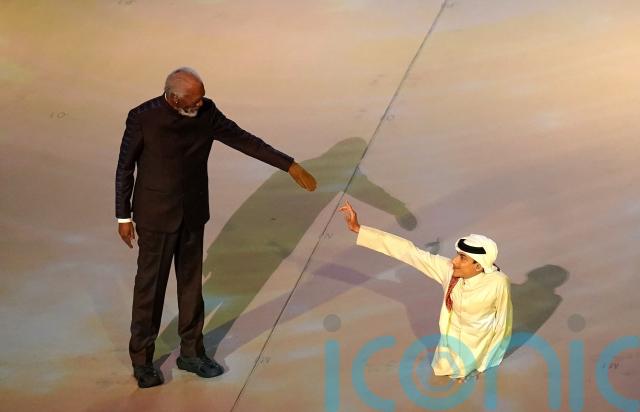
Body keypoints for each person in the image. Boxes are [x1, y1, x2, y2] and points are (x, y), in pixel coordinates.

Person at [115, 67, 317, 388]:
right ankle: (142, 361)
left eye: (202, 98)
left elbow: (243, 139)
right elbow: (125, 168)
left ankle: (192, 353)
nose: (201, 104)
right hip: (156, 217)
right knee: (149, 290)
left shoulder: (206, 112)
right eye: (195, 100)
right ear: (174, 98)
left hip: (192, 214)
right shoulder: (142, 117)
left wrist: (288, 164)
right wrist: (123, 217)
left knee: (191, 288)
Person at [338, 201, 512, 381]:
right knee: (443, 370)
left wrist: (488, 362)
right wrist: (359, 229)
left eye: (462, 258)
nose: (454, 261)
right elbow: (409, 252)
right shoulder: (449, 272)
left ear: (478, 266)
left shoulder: (498, 283)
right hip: (449, 342)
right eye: (457, 255)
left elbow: (503, 324)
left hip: (478, 343)